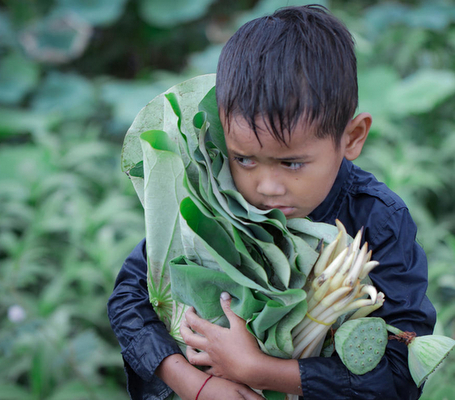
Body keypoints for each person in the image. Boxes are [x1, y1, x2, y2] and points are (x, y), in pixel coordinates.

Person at [107, 4, 436, 400]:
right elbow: (130, 296)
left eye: (291, 163)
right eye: (244, 158)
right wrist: (194, 383)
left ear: (351, 138)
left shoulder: (378, 220)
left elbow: (401, 373)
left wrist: (261, 371)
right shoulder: (208, 196)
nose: (266, 187)